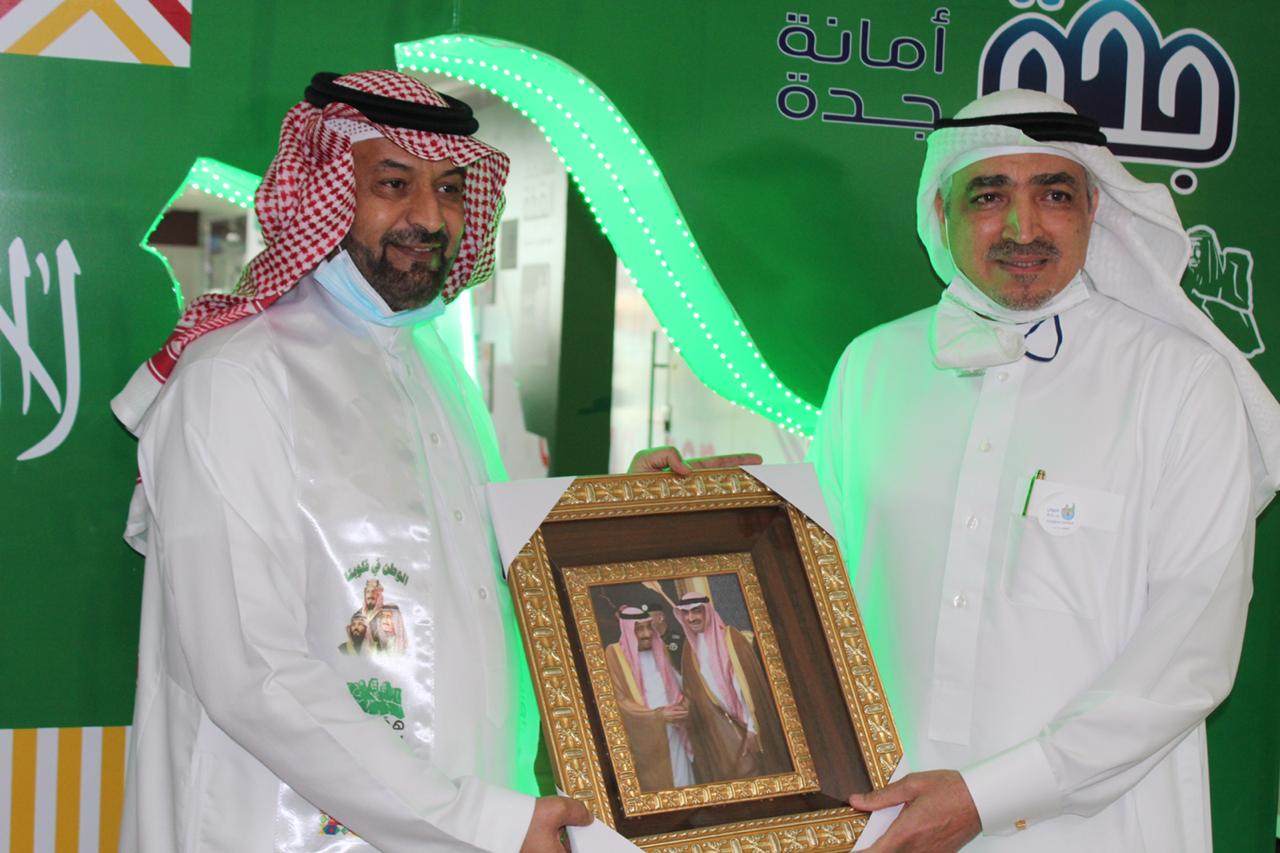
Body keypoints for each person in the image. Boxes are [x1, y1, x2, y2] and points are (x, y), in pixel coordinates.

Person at [110, 70, 600, 852]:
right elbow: (252, 671)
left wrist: (651, 514)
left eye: (449, 189)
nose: (428, 217)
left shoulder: (437, 369)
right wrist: (478, 823)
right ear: (326, 191)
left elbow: (485, 580)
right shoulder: (238, 378)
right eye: (393, 184)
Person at [809, 89, 1280, 852]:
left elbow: (1189, 650)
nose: (1022, 228)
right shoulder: (872, 368)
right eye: (989, 195)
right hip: (884, 821)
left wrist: (989, 796)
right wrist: (681, 503)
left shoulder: (1182, 384)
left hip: (1097, 830)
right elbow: (805, 582)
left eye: (1054, 194)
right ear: (942, 212)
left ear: (1094, 209)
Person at [669, 587, 790, 782]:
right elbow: (693, 694)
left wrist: (753, 729)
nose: (691, 618)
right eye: (686, 613)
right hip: (722, 732)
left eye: (696, 611)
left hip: (751, 725)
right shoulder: (688, 650)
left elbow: (749, 690)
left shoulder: (732, 640)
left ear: (707, 611)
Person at [602, 603, 694, 790]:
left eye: (648, 627)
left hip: (674, 730)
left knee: (683, 781)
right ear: (628, 630)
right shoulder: (615, 654)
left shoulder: (660, 649)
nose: (646, 634)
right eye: (639, 629)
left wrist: (683, 705)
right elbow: (619, 701)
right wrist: (657, 716)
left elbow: (676, 684)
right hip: (645, 735)